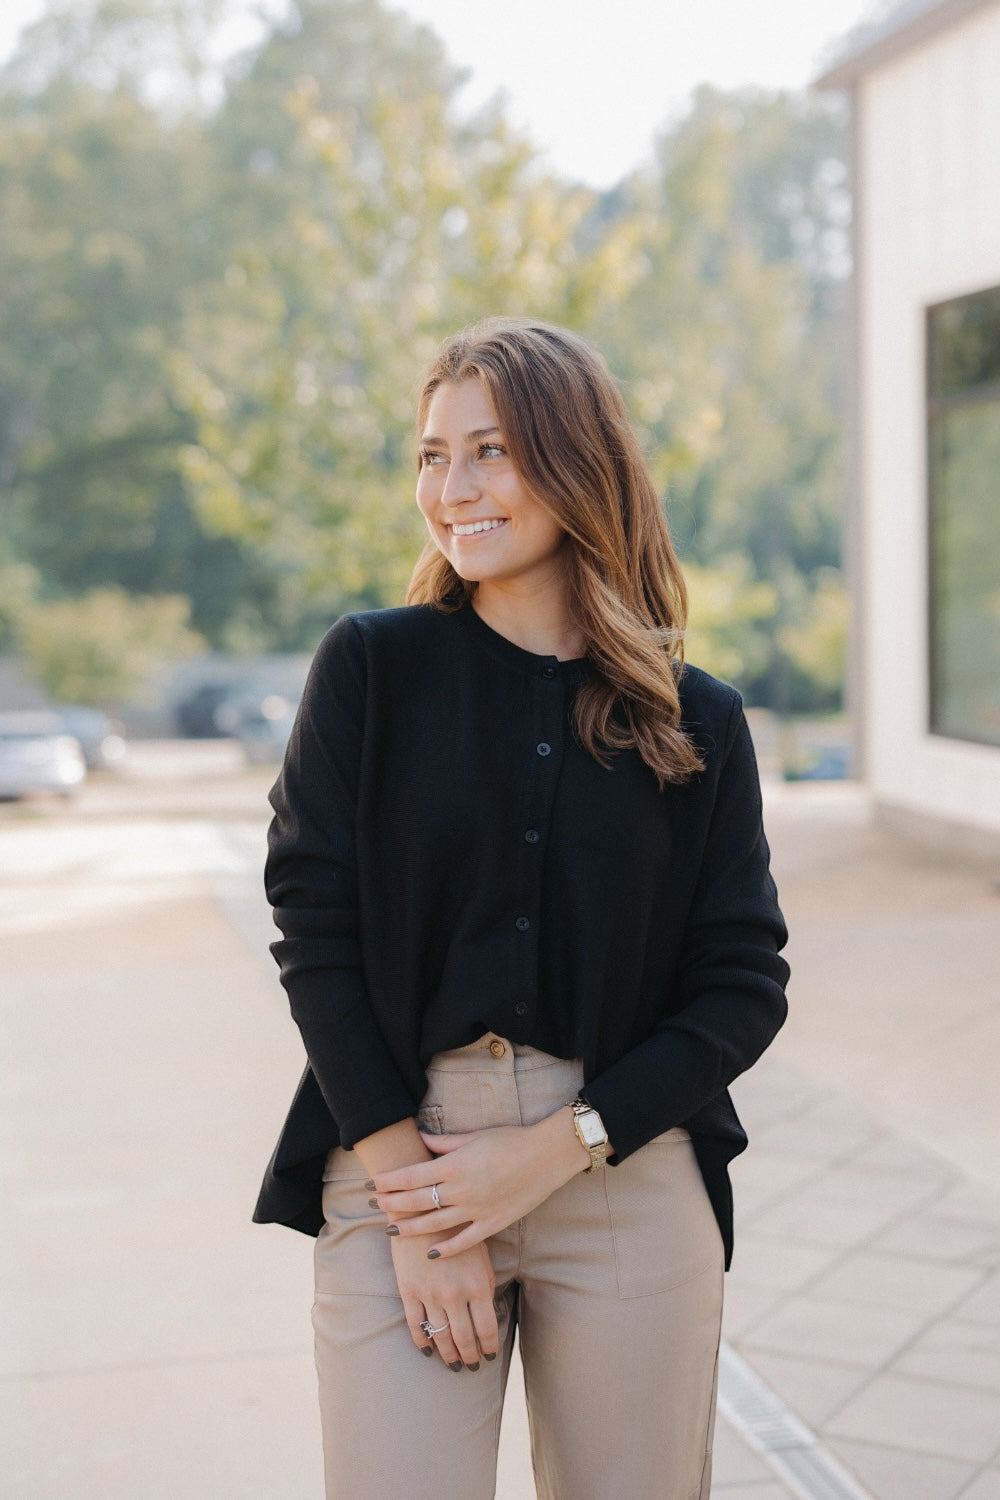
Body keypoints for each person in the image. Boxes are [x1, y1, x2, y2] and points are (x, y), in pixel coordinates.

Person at [254, 317, 789, 1500]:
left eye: (488, 449)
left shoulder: (697, 719)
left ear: (574, 458)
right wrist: (424, 1209)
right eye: (431, 456)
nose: (452, 489)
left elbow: (742, 988)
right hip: (404, 1154)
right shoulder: (370, 669)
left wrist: (561, 1146)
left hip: (622, 1166)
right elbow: (313, 929)